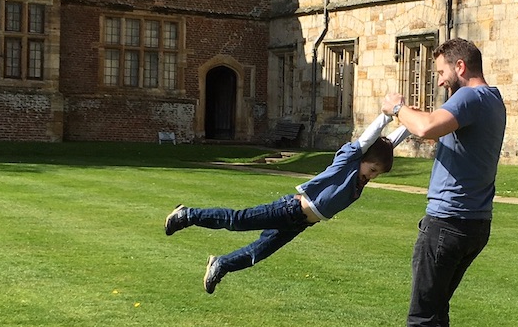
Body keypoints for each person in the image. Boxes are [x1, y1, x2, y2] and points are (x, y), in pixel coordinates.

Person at [381, 38, 506, 327]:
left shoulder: (472, 98)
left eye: (440, 73)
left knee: (421, 314)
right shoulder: (494, 100)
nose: (438, 82)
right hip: (474, 224)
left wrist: (397, 108)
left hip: (447, 223)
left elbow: (427, 127)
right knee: (437, 308)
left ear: (461, 67)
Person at [164, 112, 408, 293]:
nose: (372, 175)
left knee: (257, 253)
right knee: (236, 221)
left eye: (377, 174)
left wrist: (414, 123)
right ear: (362, 159)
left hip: (300, 222)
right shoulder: (347, 162)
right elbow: (368, 140)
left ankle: (221, 264)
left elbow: (390, 144)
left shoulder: (360, 180)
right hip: (289, 209)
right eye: (372, 169)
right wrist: (386, 115)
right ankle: (187, 215)